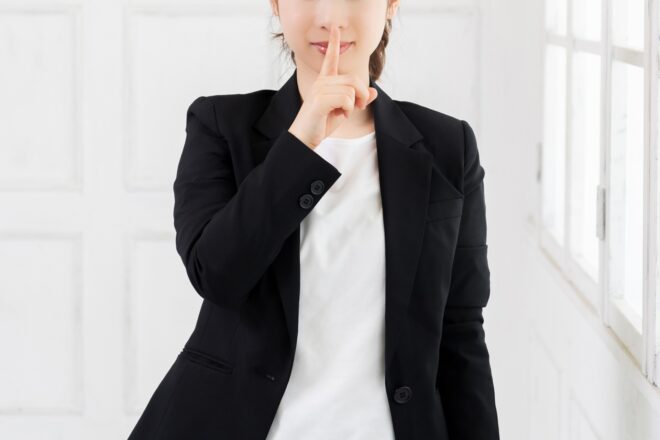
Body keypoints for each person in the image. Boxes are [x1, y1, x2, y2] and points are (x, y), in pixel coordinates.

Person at [127, 1, 499, 439]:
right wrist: (301, 140)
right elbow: (216, 275)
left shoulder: (448, 146)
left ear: (390, 5)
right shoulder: (220, 126)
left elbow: (461, 329)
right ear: (276, 6)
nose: (330, 17)